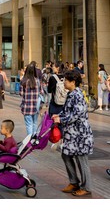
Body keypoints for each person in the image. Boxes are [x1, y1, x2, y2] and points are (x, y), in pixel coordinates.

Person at [52, 69, 93, 197]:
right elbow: (68, 111)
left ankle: (86, 187)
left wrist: (61, 119)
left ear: (73, 82)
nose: (64, 82)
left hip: (80, 134)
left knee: (82, 160)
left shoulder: (78, 95)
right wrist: (58, 115)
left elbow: (76, 114)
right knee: (66, 155)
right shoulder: (71, 94)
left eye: (66, 80)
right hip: (72, 133)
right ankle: (74, 182)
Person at [20, 64, 42, 136]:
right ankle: (34, 139)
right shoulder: (38, 81)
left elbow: (21, 93)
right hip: (36, 106)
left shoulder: (24, 81)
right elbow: (41, 92)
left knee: (29, 124)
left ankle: (29, 140)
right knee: (35, 123)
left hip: (27, 106)